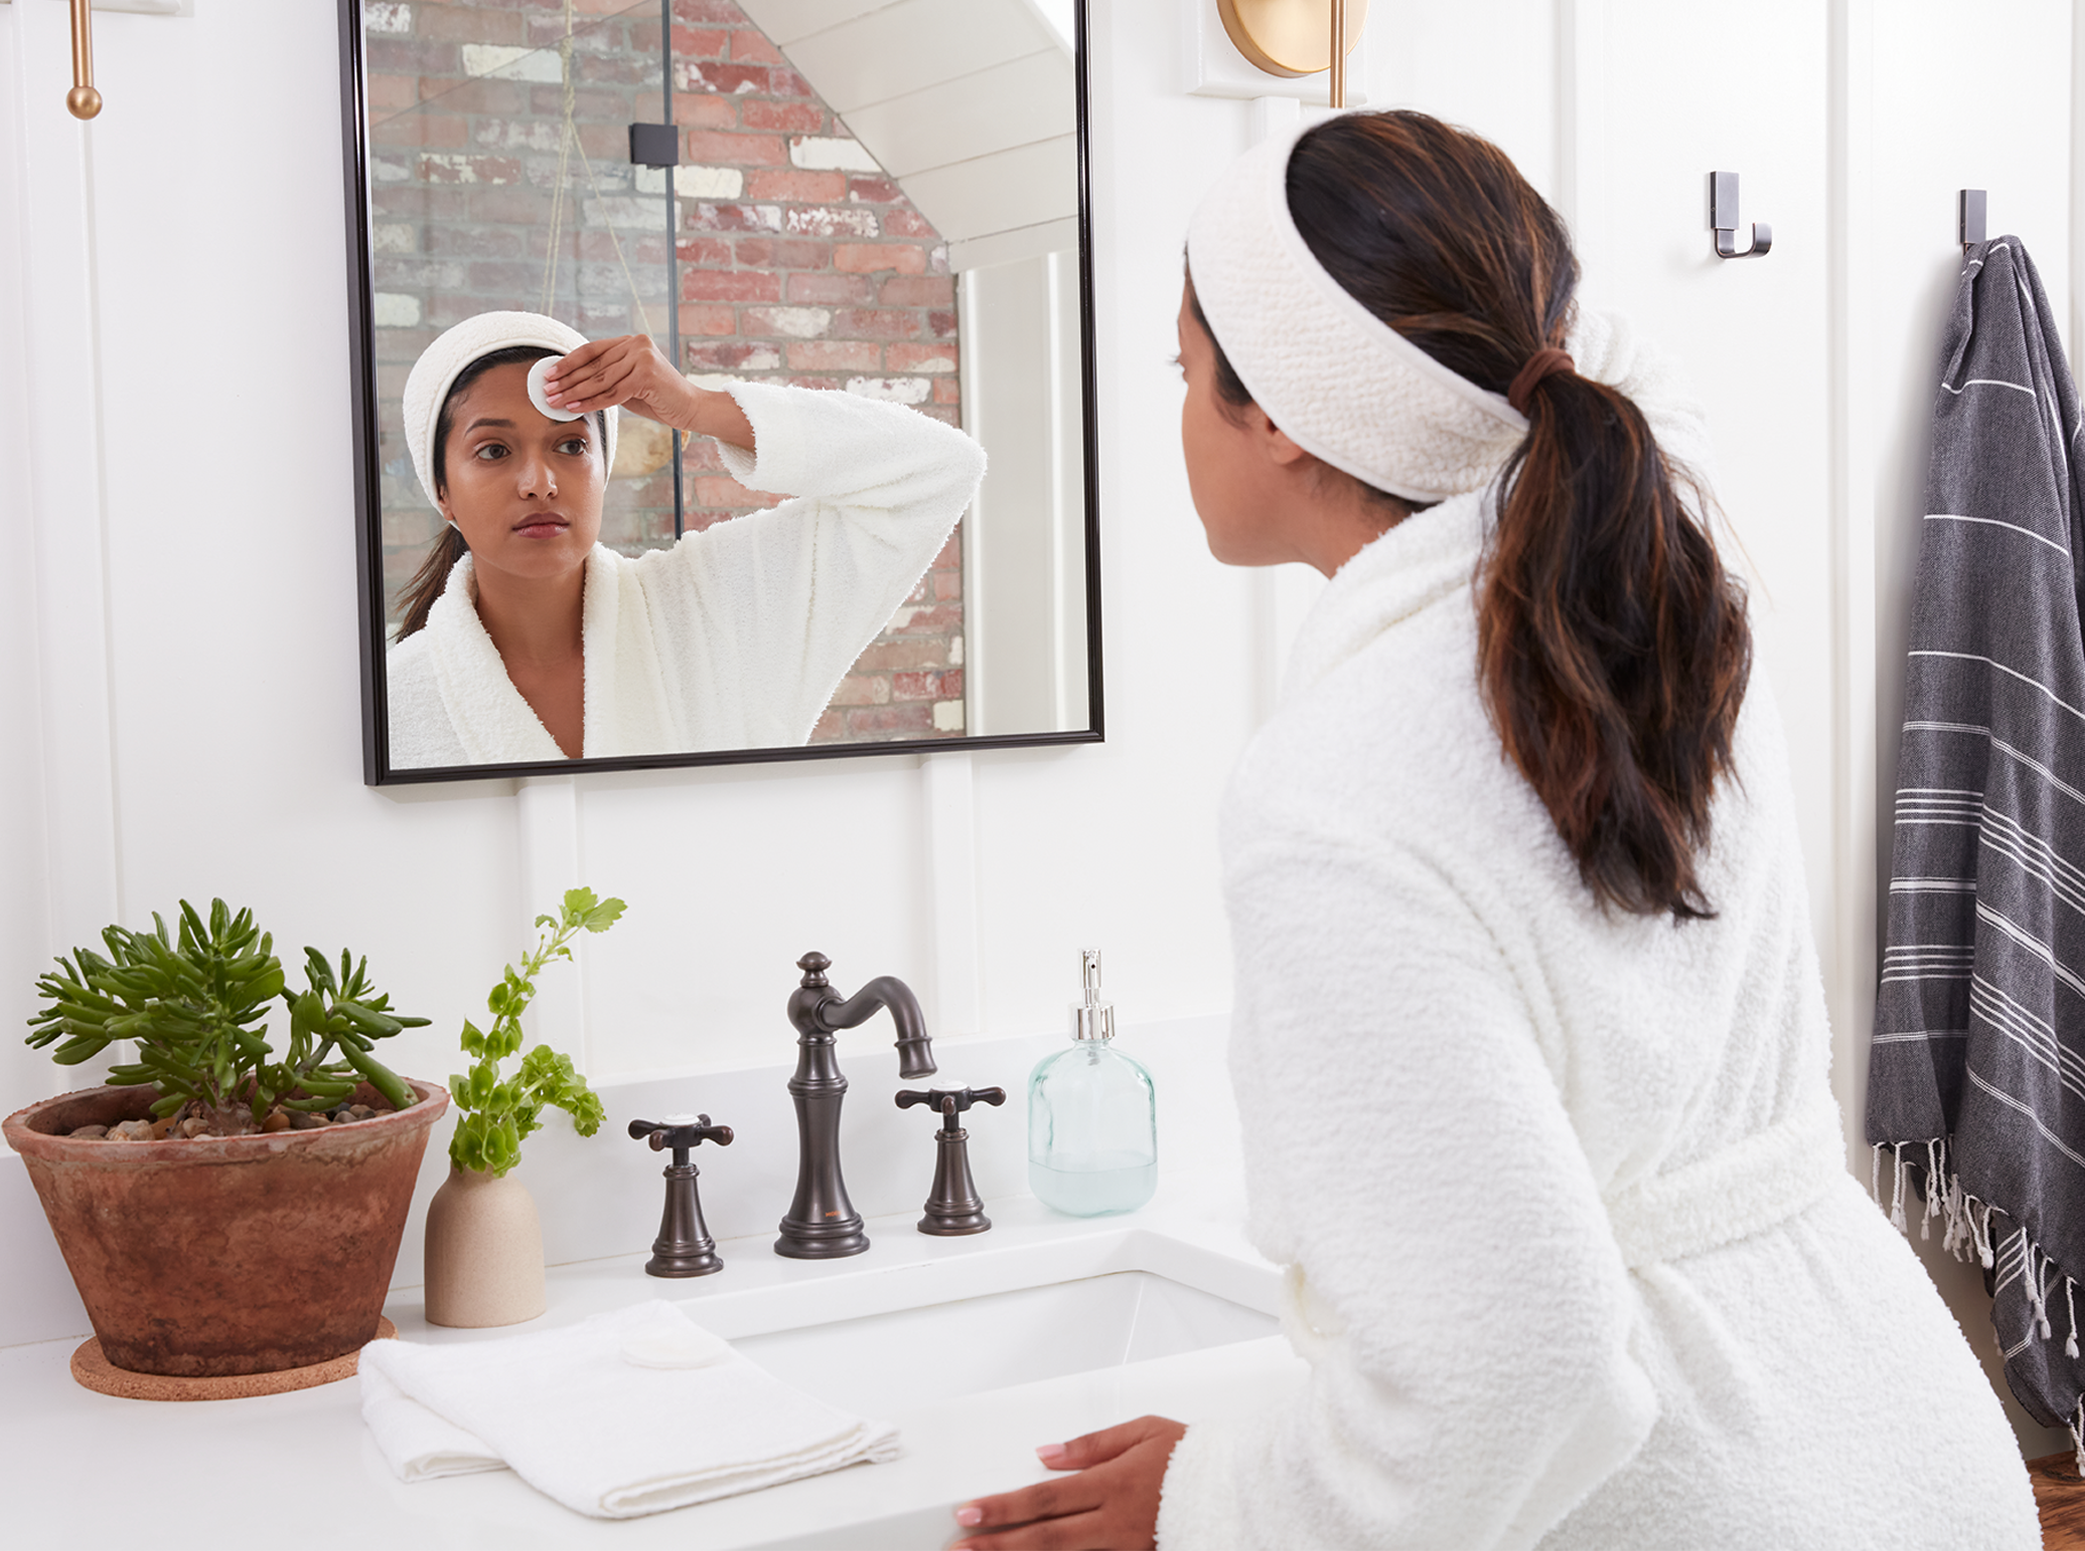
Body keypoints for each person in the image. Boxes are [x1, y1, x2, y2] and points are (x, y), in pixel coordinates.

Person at [949, 113, 2040, 1549]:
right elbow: (1576, 354)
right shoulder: (1668, 558)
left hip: (1687, 1504)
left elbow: (1508, 1374)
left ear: (1278, 410)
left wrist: (1213, 1496)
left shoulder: (1336, 792)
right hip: (1911, 1446)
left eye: (1187, 370)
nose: (1175, 410)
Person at [384, 310, 984, 767]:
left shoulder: (714, 610)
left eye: (571, 446)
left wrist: (699, 405)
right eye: (493, 450)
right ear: (441, 490)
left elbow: (939, 468)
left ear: (603, 465)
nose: (539, 483)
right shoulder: (397, 699)